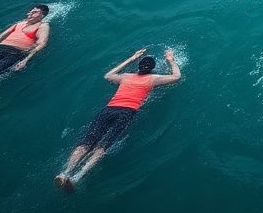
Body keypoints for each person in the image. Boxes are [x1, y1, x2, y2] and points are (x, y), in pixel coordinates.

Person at [55, 48, 181, 192]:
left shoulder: (126, 77)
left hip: (108, 110)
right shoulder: (153, 79)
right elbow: (176, 76)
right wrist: (171, 59)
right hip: (126, 112)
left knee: (85, 144)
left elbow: (108, 75)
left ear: (139, 67)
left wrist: (132, 58)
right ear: (152, 70)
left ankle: (64, 172)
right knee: (101, 147)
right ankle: (77, 176)